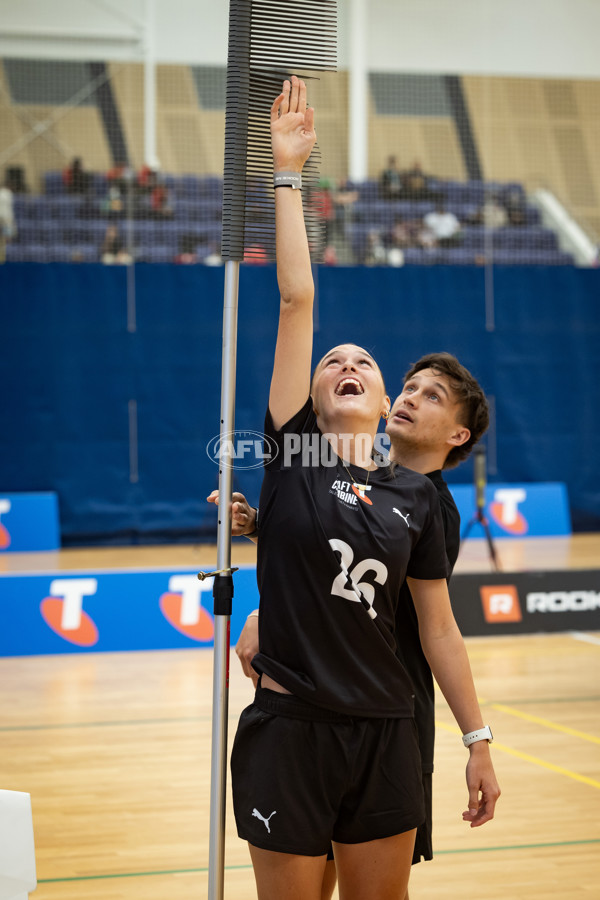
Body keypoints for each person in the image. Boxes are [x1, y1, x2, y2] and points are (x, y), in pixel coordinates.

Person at [224, 77, 499, 900]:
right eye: (331, 362)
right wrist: (287, 172)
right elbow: (298, 296)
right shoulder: (293, 456)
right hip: (290, 734)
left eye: (366, 365)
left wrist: (477, 739)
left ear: (385, 404)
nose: (347, 364)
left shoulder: (414, 497)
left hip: (385, 735)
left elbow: (441, 634)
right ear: (306, 401)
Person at [215, 352, 492, 900]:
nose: (412, 397)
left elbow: (400, 615)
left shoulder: (430, 506)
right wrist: (266, 533)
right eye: (410, 387)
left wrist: (262, 613)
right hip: (309, 717)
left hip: (389, 717)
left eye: (430, 395)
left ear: (458, 435)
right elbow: (328, 551)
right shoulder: (350, 476)